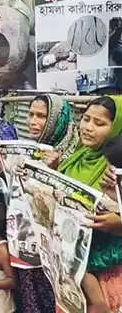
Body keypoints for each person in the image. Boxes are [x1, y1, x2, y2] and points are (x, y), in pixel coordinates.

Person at [15, 94, 80, 313]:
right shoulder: (33, 151)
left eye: (41, 116)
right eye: (31, 114)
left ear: (56, 120)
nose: (33, 121)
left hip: (57, 251)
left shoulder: (74, 156)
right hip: (28, 242)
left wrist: (54, 171)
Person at [56, 96, 122, 312]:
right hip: (69, 266)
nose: (88, 128)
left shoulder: (116, 165)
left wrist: (118, 223)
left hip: (107, 269)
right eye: (86, 119)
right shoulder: (76, 157)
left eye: (100, 123)